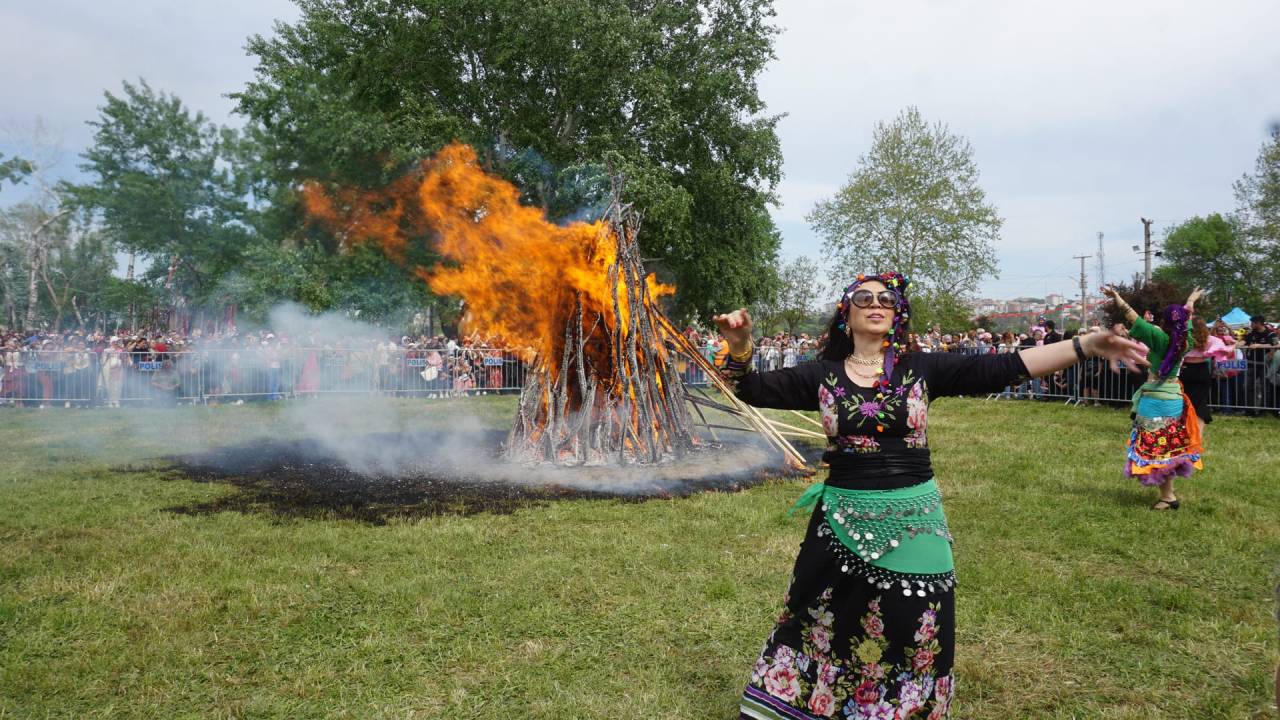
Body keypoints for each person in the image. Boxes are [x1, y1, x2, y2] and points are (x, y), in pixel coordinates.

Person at [717, 272, 1148, 719]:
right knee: (822, 624)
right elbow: (747, 388)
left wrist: (1088, 345)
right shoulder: (821, 376)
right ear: (846, 313)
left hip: (915, 517)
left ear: (899, 314)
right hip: (839, 519)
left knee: (915, 627)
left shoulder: (922, 370)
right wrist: (741, 345)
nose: (875, 303)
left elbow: (1005, 366)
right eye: (863, 298)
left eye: (887, 298)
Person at [1101, 285, 1205, 510]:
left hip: (1156, 400)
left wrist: (1117, 297)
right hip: (1174, 398)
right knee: (1168, 445)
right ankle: (1168, 494)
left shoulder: (1159, 338)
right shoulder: (1184, 339)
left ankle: (1168, 497)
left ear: (1165, 323)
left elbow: (1133, 317)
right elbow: (1186, 316)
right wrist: (1190, 300)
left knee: (1157, 448)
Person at [1181, 315, 1235, 431]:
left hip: (1185, 370)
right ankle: (1197, 434)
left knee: (1184, 402)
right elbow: (1227, 350)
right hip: (1202, 371)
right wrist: (1234, 344)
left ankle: (1185, 430)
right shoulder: (1212, 340)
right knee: (1200, 403)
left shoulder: (1184, 338)